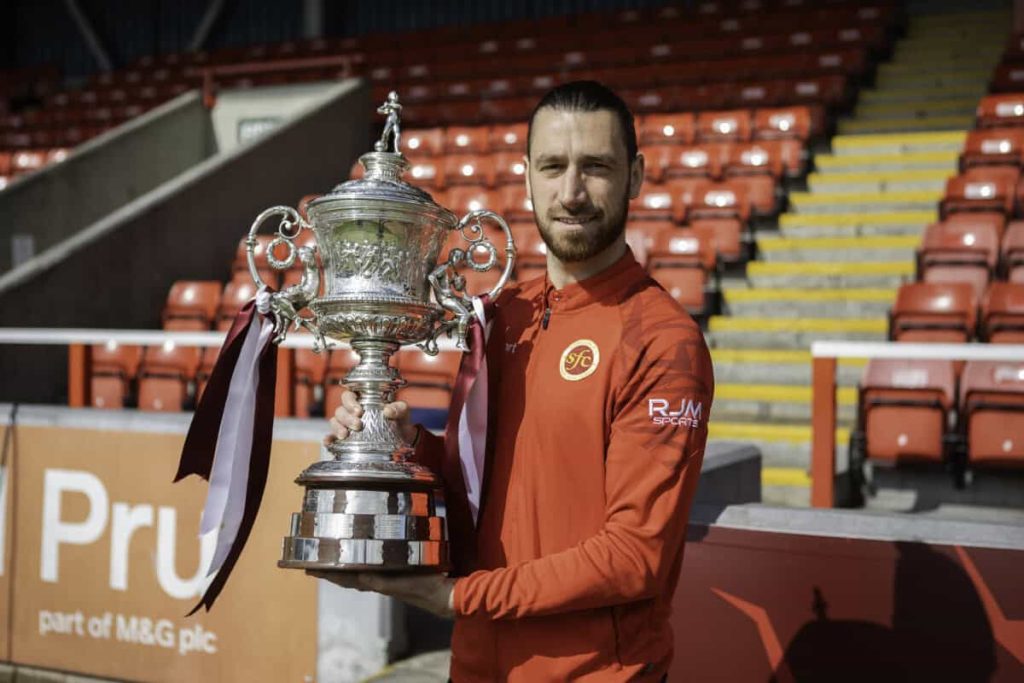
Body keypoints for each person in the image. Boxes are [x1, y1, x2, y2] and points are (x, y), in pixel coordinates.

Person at [315, 81, 715, 682]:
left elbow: (636, 557)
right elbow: (481, 486)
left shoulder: (662, 340)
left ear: (634, 177)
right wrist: (400, 447)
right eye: (553, 166)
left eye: (596, 167)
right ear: (526, 176)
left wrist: (459, 598)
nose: (571, 192)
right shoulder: (505, 315)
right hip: (476, 666)